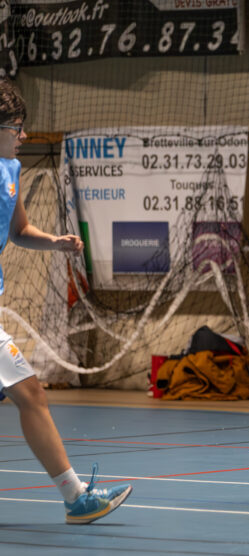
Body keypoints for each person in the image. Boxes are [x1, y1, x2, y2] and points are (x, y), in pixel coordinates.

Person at [0, 79, 132, 523]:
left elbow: (18, 231)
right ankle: (76, 497)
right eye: (16, 127)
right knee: (30, 393)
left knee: (27, 394)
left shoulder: (11, 172)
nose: (23, 136)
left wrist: (54, 242)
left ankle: (75, 497)